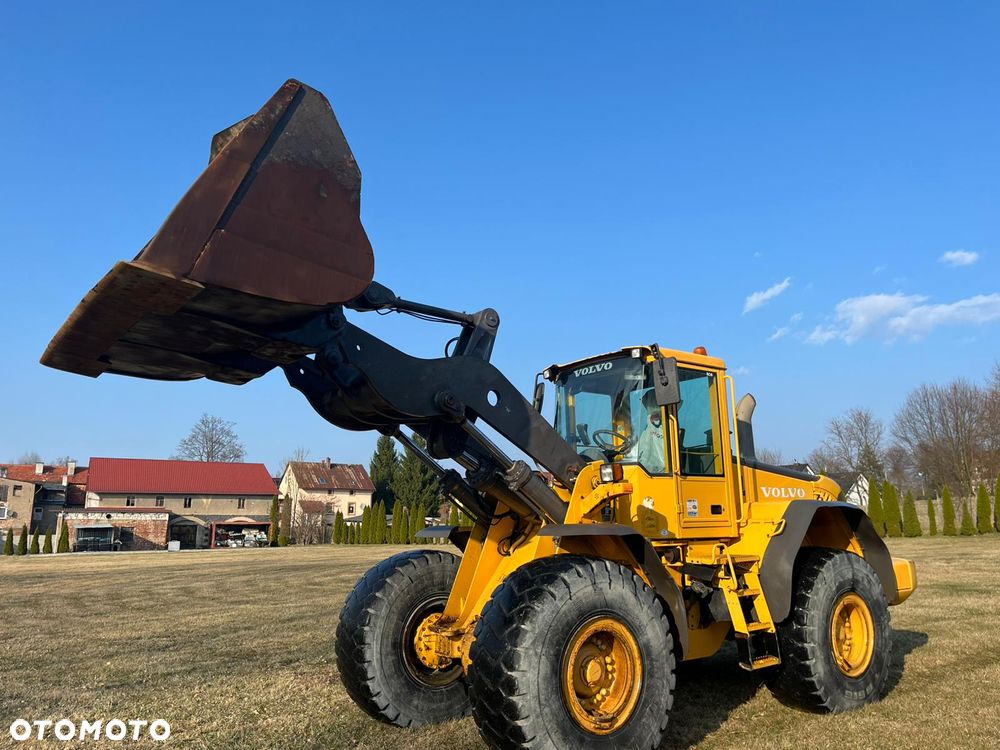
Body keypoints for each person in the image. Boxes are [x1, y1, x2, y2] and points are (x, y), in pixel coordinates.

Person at [636, 389, 666, 473]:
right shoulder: (648, 429)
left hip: (660, 472)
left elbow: (661, 459)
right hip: (646, 471)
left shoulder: (666, 428)